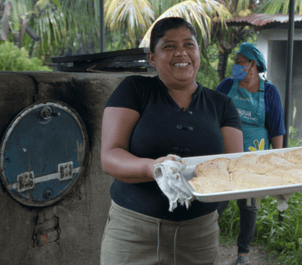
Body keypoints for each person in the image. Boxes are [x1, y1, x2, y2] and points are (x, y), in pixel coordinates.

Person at [99, 17, 243, 265]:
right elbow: (110, 155)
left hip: (199, 236)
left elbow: (234, 167)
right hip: (133, 234)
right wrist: (154, 168)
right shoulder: (135, 90)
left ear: (198, 52)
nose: (181, 53)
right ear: (152, 58)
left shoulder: (222, 105)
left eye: (189, 45)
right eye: (168, 46)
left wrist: (273, 183)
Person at [216, 42, 286, 265]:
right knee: (215, 203)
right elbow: (211, 116)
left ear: (253, 65)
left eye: (239, 63)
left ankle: (243, 254)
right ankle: (205, 246)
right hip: (224, 157)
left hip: (253, 158)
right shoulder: (227, 85)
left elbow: (277, 128)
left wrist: (278, 162)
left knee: (248, 206)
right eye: (235, 63)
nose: (235, 67)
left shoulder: (270, 91)